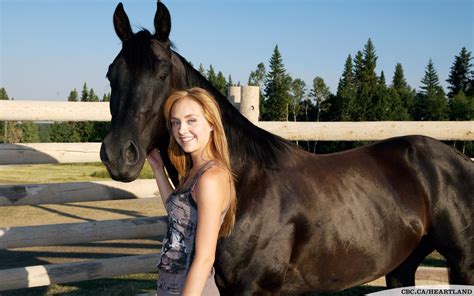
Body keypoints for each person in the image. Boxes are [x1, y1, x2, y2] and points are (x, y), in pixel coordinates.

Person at [147, 87, 237, 295]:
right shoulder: (192, 172)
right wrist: (158, 169)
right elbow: (179, 214)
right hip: (172, 286)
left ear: (212, 123)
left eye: (191, 120)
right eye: (176, 122)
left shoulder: (210, 178)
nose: (182, 130)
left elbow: (205, 258)